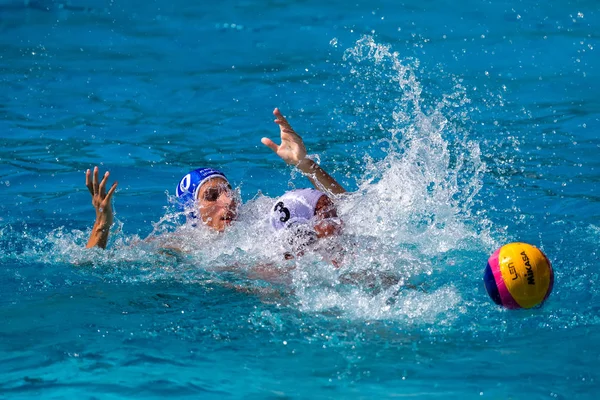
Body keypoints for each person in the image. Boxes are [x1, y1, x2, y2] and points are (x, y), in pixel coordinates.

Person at [85, 108, 344, 250]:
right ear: (191, 210)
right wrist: (101, 225)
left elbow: (347, 204)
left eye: (228, 190)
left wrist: (305, 165)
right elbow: (95, 268)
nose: (229, 200)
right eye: (212, 196)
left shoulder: (259, 218)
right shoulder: (178, 246)